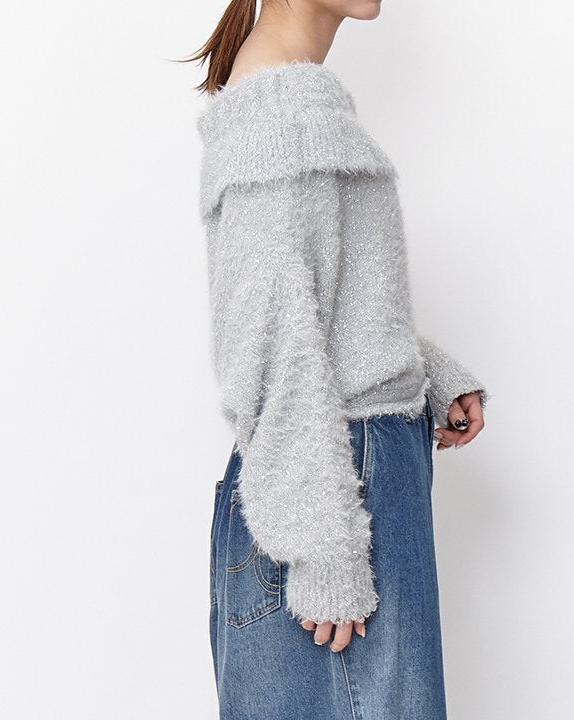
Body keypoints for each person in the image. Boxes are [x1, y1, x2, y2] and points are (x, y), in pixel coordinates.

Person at [183, 1, 489, 718]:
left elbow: (322, 305)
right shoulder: (275, 112)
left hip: (349, 480)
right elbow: (266, 343)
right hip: (330, 494)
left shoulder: (295, 100)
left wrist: (423, 374)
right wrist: (321, 550)